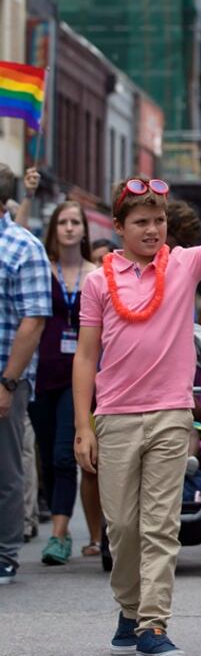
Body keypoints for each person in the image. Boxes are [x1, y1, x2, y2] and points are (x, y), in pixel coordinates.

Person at [72, 160, 201, 656]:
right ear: (120, 227)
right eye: (141, 221)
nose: (152, 229)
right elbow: (85, 356)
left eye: (159, 220)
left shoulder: (184, 263)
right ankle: (129, 611)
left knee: (160, 525)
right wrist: (83, 426)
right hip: (116, 417)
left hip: (172, 414)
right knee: (121, 528)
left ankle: (153, 625)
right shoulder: (98, 282)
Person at [29, 202, 100, 566]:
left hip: (81, 377)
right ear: (54, 228)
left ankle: (58, 534)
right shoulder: (41, 269)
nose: (70, 228)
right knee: (45, 454)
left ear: (85, 230)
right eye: (63, 222)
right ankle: (61, 525)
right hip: (43, 374)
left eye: (76, 222)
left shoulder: (97, 274)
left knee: (63, 455)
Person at [0, 162, 51, 585]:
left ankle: (5, 553)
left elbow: (33, 320)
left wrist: (8, 381)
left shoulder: (23, 247)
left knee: (5, 468)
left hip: (5, 377)